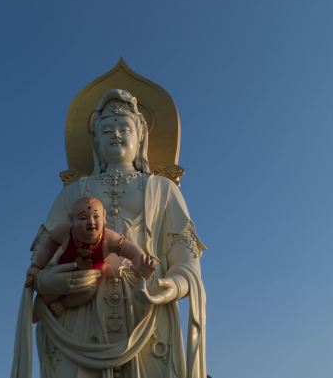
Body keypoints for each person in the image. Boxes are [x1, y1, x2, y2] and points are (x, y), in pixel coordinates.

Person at [11, 89, 206, 378]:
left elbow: (187, 258)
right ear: (95, 140)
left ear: (140, 135)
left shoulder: (163, 189)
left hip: (144, 312)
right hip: (78, 315)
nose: (116, 135)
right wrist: (45, 279)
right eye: (106, 130)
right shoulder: (72, 192)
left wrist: (172, 285)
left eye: (124, 127)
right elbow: (45, 251)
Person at [25, 196, 155, 316]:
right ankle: (34, 314)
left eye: (96, 216)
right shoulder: (64, 232)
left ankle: (64, 304)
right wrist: (37, 266)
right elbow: (49, 245)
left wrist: (140, 263)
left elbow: (130, 250)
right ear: (72, 220)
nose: (91, 222)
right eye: (83, 218)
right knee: (48, 297)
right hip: (63, 273)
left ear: (104, 217)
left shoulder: (108, 238)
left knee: (88, 292)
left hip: (89, 279)